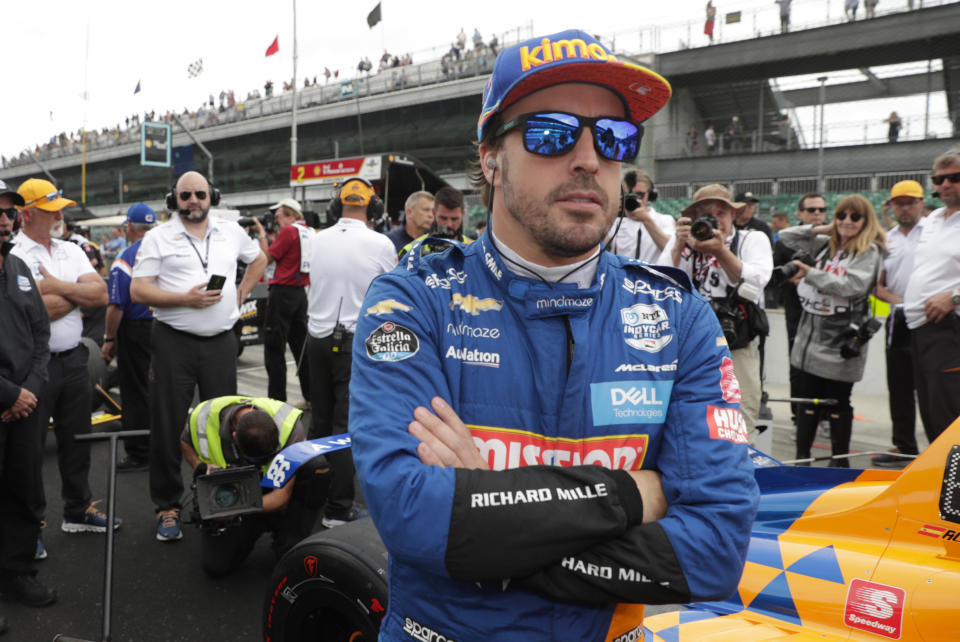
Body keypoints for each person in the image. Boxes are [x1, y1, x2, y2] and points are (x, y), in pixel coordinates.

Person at [349, 29, 758, 641]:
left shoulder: (678, 315)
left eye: (615, 138)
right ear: (490, 156)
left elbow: (716, 551)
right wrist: (631, 495)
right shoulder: (413, 299)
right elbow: (415, 517)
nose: (589, 159)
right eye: (551, 132)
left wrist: (492, 520)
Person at [130, 171, 266, 543]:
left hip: (221, 341)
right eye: (186, 195)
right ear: (175, 199)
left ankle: (222, 498)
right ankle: (167, 506)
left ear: (212, 196)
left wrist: (241, 292)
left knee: (225, 424)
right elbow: (138, 290)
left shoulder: (230, 230)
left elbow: (259, 260)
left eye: (200, 194)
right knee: (168, 423)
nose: (193, 200)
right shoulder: (159, 236)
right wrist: (184, 299)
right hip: (174, 341)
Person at [10, 179, 117, 545]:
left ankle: (78, 509)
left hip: (74, 360)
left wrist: (54, 286)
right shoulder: (15, 253)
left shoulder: (70, 249)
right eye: (50, 209)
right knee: (29, 450)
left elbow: (101, 294)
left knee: (78, 439)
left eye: (59, 208)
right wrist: (75, 294)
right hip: (33, 366)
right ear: (27, 214)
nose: (59, 215)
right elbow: (31, 315)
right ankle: (31, 526)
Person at [307, 178, 396, 528]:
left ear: (336, 206)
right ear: (373, 208)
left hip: (316, 340)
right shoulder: (381, 243)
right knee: (345, 427)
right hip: (351, 344)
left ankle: (313, 496)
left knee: (321, 421)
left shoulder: (317, 240)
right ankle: (338, 508)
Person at [778, 195, 885, 466]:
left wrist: (810, 273)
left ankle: (840, 461)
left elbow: (853, 286)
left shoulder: (869, 251)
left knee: (837, 402)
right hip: (809, 339)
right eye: (841, 216)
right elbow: (785, 237)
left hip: (840, 342)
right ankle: (802, 459)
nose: (847, 222)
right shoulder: (826, 244)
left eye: (855, 217)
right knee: (808, 401)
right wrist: (822, 229)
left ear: (866, 221)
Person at [662, 185, 772, 436]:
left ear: (734, 215)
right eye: (706, 215)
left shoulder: (751, 239)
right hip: (692, 341)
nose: (714, 221)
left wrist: (721, 252)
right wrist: (679, 246)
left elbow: (757, 280)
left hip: (737, 341)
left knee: (742, 409)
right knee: (690, 410)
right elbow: (659, 280)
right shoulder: (686, 242)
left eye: (721, 213)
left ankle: (739, 461)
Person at [180, 396, 330, 576]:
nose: (264, 461)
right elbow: (185, 442)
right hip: (234, 490)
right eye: (257, 460)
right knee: (216, 567)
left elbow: (281, 496)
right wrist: (200, 467)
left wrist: (237, 510)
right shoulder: (203, 417)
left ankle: (288, 536)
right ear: (234, 436)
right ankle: (254, 525)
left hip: (268, 489)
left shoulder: (289, 426)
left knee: (317, 466)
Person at [0, 184, 56, 616]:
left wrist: (30, 389)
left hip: (26, 404)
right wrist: (9, 394)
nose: (4, 220)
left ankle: (17, 572)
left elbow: (41, 333)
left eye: (8, 213)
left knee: (24, 489)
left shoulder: (18, 266)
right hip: (8, 398)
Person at [903, 152, 960, 446]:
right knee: (931, 415)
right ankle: (943, 484)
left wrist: (954, 296)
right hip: (920, 329)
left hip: (949, 330)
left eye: (955, 177)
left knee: (949, 418)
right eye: (940, 179)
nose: (946, 184)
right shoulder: (935, 218)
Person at [873, 181, 925, 466]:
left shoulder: (934, 233)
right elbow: (877, 285)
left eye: (910, 202)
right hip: (899, 318)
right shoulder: (886, 240)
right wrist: (899, 301)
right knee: (900, 385)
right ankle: (904, 447)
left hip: (934, 316)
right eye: (899, 203)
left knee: (935, 386)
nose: (905, 208)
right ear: (891, 206)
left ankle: (945, 449)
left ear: (921, 203)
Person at [101, 203, 157, 472]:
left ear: (130, 227)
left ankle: (140, 452)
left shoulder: (125, 257)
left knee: (135, 392)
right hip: (167, 328)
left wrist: (109, 338)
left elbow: (115, 305)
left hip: (136, 329)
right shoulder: (166, 249)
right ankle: (166, 445)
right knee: (165, 390)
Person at [773, 194, 827, 426]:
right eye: (811, 209)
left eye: (821, 210)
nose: (817, 214)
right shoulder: (786, 240)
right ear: (800, 213)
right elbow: (774, 275)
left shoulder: (834, 240)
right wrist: (796, 279)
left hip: (826, 314)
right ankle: (799, 416)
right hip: (796, 311)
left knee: (826, 366)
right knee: (797, 365)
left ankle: (824, 415)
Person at [253, 198, 312, 403]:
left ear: (289, 215)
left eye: (277, 216)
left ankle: (276, 401)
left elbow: (266, 258)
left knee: (274, 350)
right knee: (301, 349)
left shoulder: (288, 231)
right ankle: (310, 396)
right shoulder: (307, 231)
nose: (275, 221)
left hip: (282, 292)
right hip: (299, 293)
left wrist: (261, 234)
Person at [609, 169, 675, 263]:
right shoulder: (615, 221)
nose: (635, 199)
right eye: (629, 195)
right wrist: (610, 215)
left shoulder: (664, 220)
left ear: (651, 194)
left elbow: (670, 251)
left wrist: (646, 220)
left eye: (639, 195)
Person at [397, 186, 471, 259]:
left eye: (454, 219)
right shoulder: (412, 252)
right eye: (443, 218)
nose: (449, 224)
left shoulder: (474, 249)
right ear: (433, 212)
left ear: (463, 214)